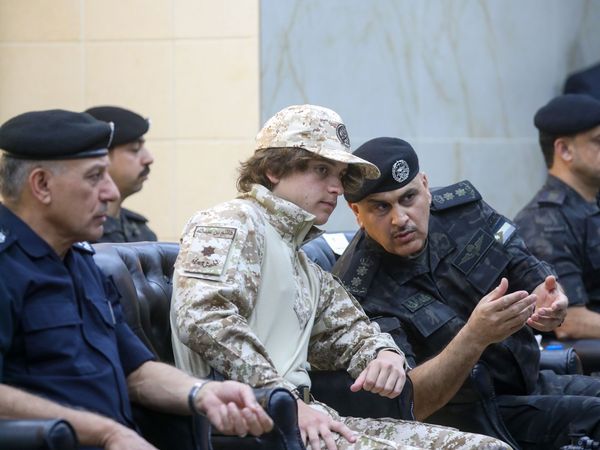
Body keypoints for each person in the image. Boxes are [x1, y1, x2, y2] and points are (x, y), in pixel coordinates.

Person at [170, 104, 511, 450]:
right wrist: (282, 398)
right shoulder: (232, 222)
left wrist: (384, 354)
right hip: (251, 424)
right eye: (322, 170)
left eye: (341, 175)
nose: (337, 187)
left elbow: (352, 331)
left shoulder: (300, 262)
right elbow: (203, 317)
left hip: (309, 417)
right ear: (273, 169)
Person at [0, 109, 273, 450]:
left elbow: (136, 372)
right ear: (41, 185)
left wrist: (202, 392)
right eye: (94, 177)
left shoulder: (79, 262)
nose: (110, 192)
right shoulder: (7, 266)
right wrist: (106, 433)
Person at [332, 136, 600, 449]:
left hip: (531, 381)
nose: (400, 219)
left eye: (408, 198)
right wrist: (474, 336)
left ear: (425, 186)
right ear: (356, 212)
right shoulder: (356, 290)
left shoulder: (462, 211)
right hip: (466, 420)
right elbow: (413, 403)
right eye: (381, 207)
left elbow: (522, 262)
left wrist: (548, 296)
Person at [514, 94, 600, 339]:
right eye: (598, 141)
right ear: (564, 150)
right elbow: (569, 320)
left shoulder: (590, 205)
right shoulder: (544, 221)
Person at [85, 105, 157, 243]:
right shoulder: (77, 236)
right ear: (102, 156)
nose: (149, 158)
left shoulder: (141, 232)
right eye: (135, 149)